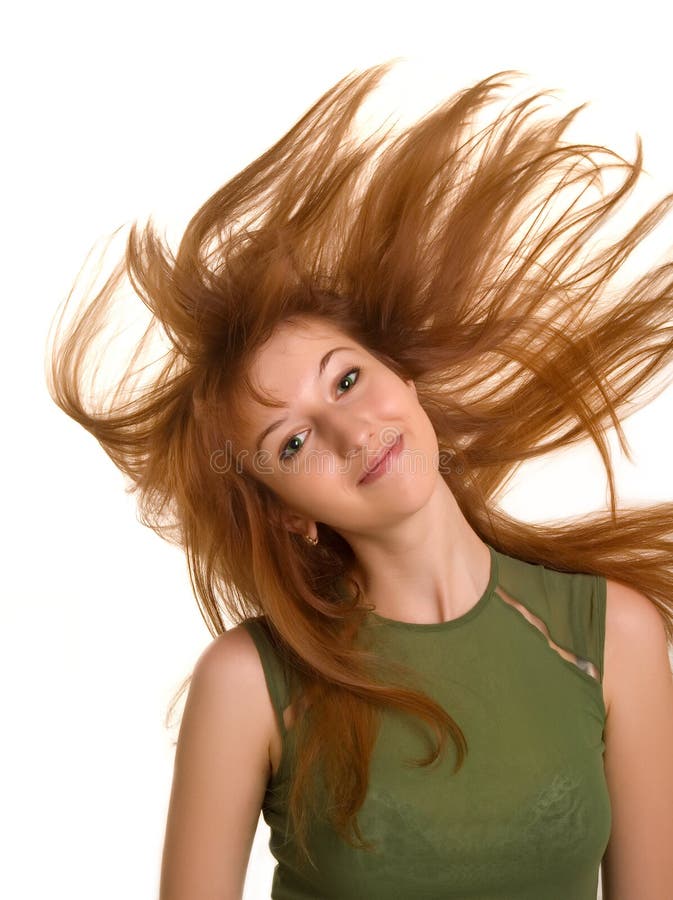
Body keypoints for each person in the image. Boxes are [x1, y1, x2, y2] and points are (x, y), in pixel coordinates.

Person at [45, 61, 673, 899]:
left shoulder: (610, 639)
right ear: (286, 515)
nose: (351, 432)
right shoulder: (249, 686)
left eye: (346, 380)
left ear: (404, 379)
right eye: (294, 441)